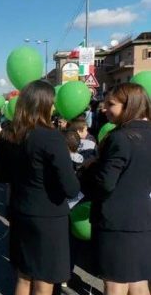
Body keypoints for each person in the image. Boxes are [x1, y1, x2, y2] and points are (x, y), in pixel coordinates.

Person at [0, 80, 80, 295]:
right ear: (42, 104)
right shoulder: (51, 137)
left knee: (23, 277)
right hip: (48, 218)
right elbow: (70, 188)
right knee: (44, 283)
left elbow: (1, 175)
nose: (54, 107)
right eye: (52, 103)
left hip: (20, 211)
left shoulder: (8, 135)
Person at [88, 83, 151, 294]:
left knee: (115, 284)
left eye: (111, 104)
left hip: (116, 223)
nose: (104, 109)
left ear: (129, 105)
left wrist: (90, 170)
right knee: (138, 282)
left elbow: (105, 183)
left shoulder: (121, 137)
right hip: (143, 220)